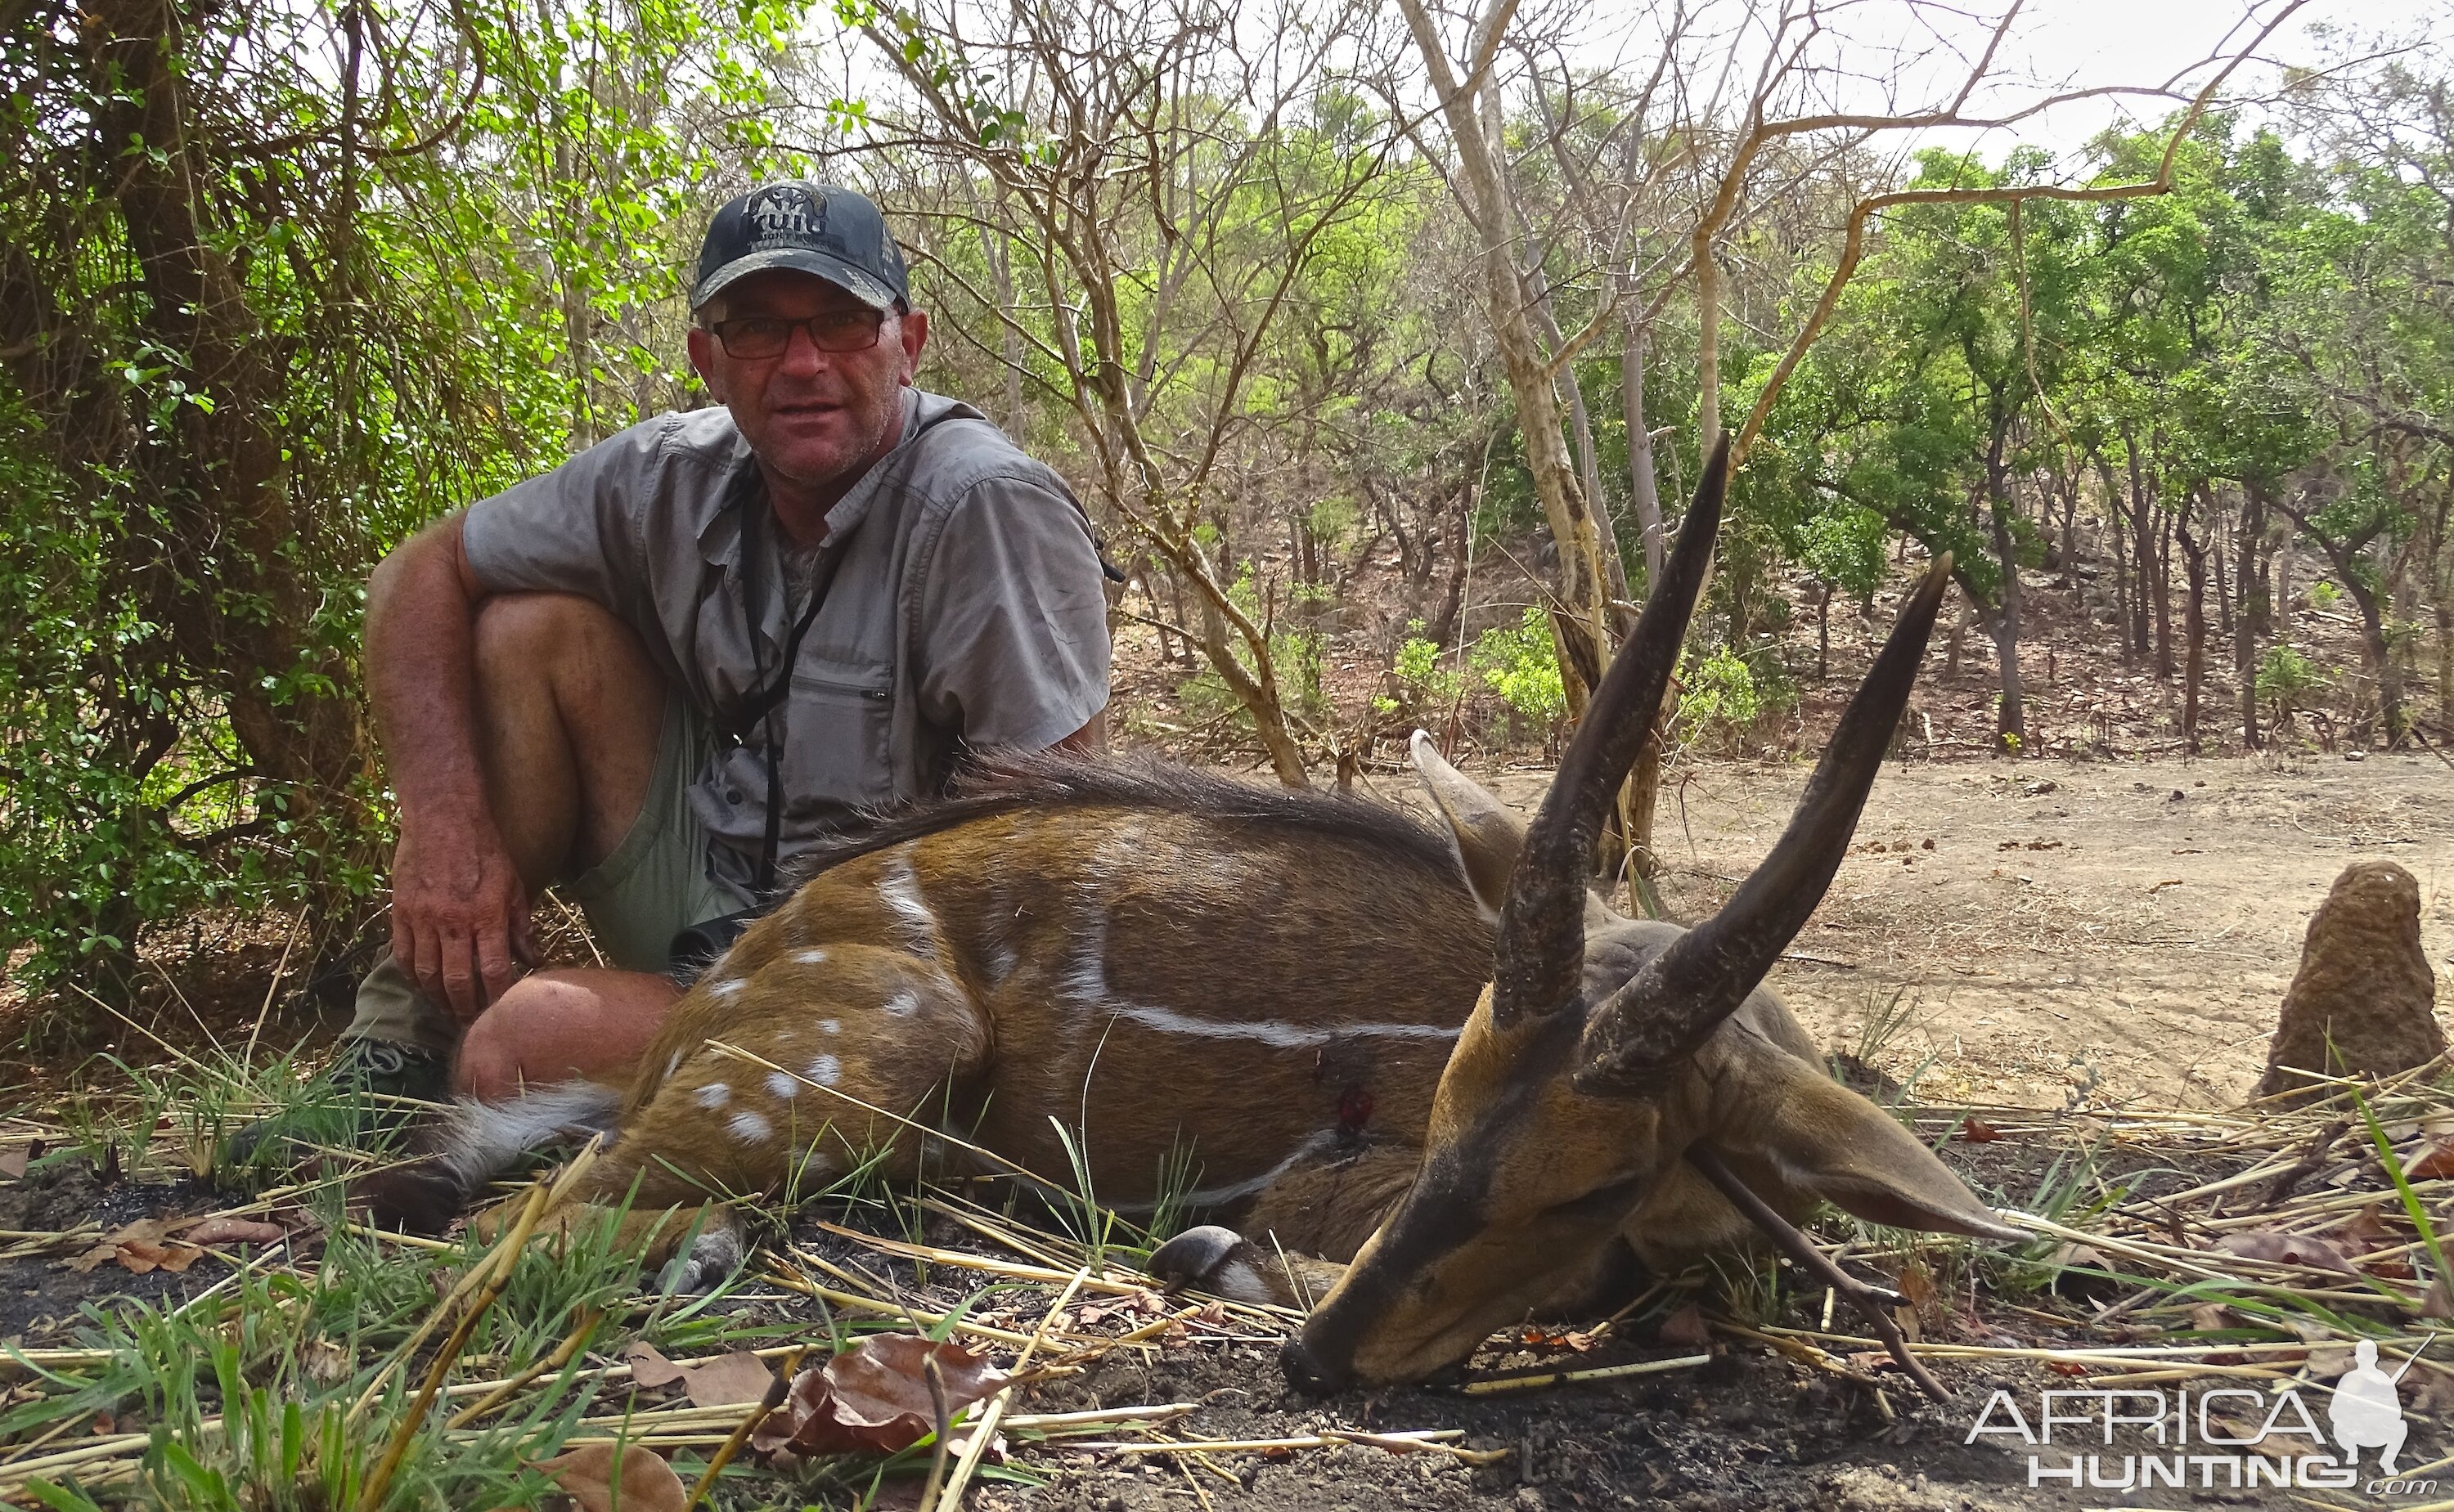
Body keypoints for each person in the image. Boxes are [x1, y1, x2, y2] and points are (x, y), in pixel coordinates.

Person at [326, 181, 1111, 1116]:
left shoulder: (985, 509)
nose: (803, 362)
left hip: (883, 965)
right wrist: (443, 828)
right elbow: (417, 572)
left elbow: (1061, 858)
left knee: (521, 1044)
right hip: (724, 891)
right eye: (758, 331)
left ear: (910, 344)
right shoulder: (669, 475)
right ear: (708, 359)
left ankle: (638, 1075)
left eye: (842, 323)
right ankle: (393, 1049)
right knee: (529, 632)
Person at [2328, 1338, 2410, 1474]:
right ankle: (2352, 1452)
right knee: (2339, 1426)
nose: (2365, 1359)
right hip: (2353, 1428)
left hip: (2378, 1429)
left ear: (2376, 1357)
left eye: (2369, 1355)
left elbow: (2397, 1411)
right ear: (2357, 1357)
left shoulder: (2383, 1380)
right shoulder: (2349, 1378)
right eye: (2362, 1355)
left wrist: (2381, 1408)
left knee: (2401, 1427)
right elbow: (2335, 1409)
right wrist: (2353, 1408)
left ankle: (2387, 1461)